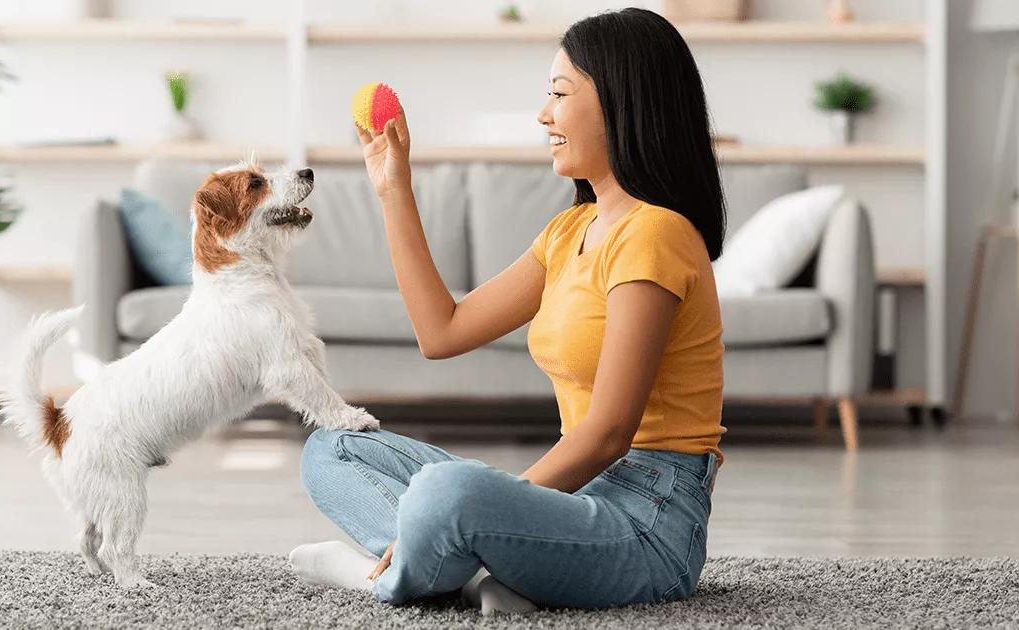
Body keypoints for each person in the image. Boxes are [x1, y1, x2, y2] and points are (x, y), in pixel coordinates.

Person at [288, 7, 726, 615]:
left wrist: (486, 503)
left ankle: (378, 576)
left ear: (622, 103)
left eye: (559, 93)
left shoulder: (655, 235)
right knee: (333, 449)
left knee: (449, 494)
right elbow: (441, 332)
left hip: (648, 524)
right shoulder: (571, 229)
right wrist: (393, 189)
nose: (543, 114)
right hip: (580, 498)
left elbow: (608, 434)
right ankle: (480, 579)